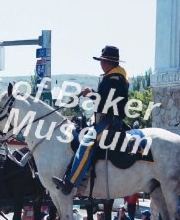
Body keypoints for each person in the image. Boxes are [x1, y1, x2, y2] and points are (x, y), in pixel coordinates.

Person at [52, 45, 129, 195]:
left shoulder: (113, 78)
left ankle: (70, 183)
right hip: (108, 118)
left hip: (109, 121)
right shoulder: (116, 77)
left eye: (103, 61)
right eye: (101, 60)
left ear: (109, 62)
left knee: (86, 144)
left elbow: (106, 102)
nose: (101, 63)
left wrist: (91, 94)